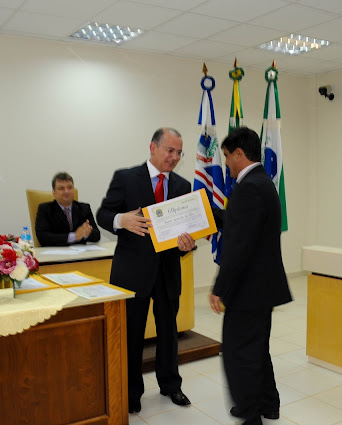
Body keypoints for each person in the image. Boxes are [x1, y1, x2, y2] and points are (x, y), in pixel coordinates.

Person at [96, 128, 195, 414]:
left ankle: (171, 384)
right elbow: (103, 214)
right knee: (132, 335)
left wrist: (186, 245)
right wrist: (121, 220)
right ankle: (130, 392)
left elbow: (183, 232)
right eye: (170, 150)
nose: (174, 157)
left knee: (168, 333)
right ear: (153, 147)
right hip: (132, 272)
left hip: (168, 272)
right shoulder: (126, 178)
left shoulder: (183, 185)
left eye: (179, 153)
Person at [209, 127, 293, 425]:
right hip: (261, 287)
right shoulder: (261, 182)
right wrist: (207, 212)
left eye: (227, 156)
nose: (226, 163)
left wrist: (219, 288)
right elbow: (242, 225)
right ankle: (268, 404)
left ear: (239, 153)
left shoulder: (249, 188)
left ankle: (250, 414)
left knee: (238, 353)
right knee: (256, 348)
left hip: (249, 290)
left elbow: (239, 246)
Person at [35, 172, 100, 246]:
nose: (66, 191)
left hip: (80, 252)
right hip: (56, 252)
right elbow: (43, 237)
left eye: (69, 187)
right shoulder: (45, 209)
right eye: (61, 188)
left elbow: (97, 235)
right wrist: (74, 236)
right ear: (54, 192)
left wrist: (86, 233)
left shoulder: (84, 208)